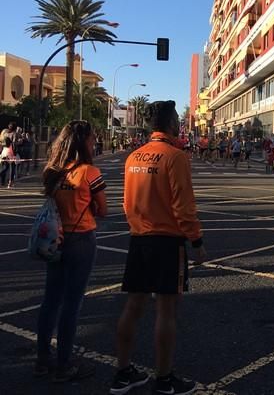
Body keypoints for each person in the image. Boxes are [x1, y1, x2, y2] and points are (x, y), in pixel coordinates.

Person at [113, 101, 206, 395]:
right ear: (169, 124)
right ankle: (164, 379)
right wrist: (197, 241)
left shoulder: (133, 157)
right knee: (167, 310)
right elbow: (183, 207)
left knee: (133, 305)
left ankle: (123, 372)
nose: (179, 123)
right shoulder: (175, 157)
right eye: (177, 119)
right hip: (167, 241)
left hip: (139, 238)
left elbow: (126, 202)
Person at [36, 121, 108, 382]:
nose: (94, 142)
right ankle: (65, 363)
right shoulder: (89, 172)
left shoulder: (52, 171)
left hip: (55, 238)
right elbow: (103, 210)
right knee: (72, 303)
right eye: (92, 138)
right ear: (83, 142)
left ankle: (42, 358)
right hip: (81, 239)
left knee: (50, 299)